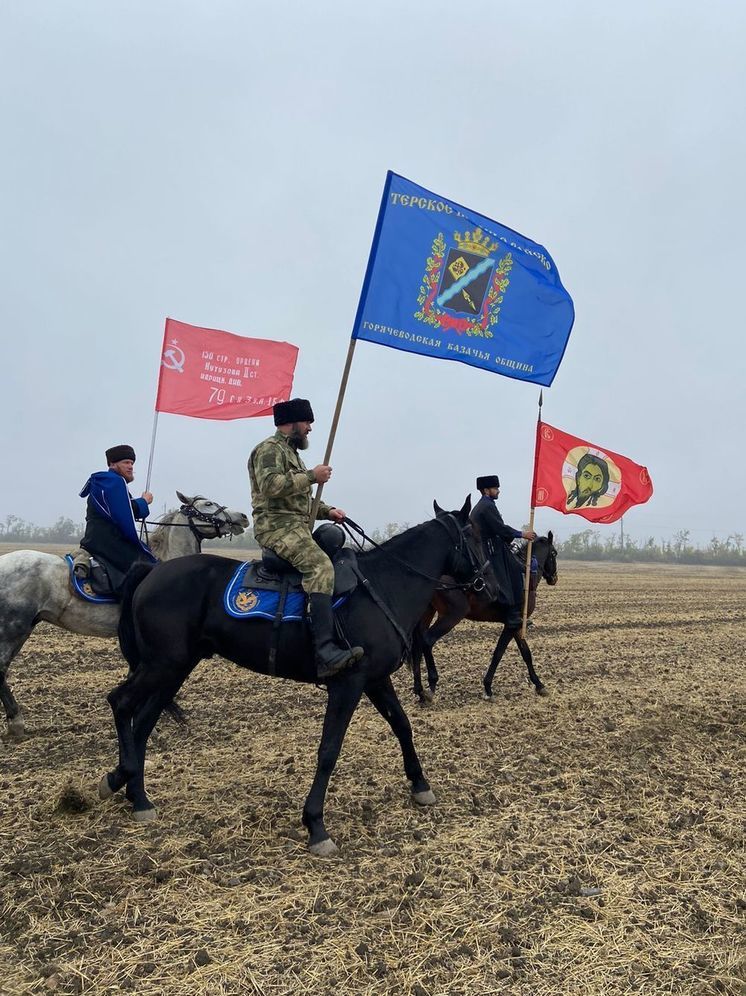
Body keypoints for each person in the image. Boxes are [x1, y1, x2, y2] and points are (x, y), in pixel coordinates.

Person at [248, 398, 364, 679]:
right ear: (293, 423)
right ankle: (324, 652)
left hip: (296, 525)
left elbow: (300, 500)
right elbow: (272, 486)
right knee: (320, 567)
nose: (310, 428)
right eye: (307, 422)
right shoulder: (269, 450)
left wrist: (328, 510)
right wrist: (312, 475)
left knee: (335, 541)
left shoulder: (292, 453)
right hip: (277, 528)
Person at [79, 445, 157, 595]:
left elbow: (121, 509)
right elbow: (125, 511)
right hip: (108, 542)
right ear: (112, 464)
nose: (130, 467)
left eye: (132, 463)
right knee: (145, 567)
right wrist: (144, 501)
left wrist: (139, 503)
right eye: (126, 462)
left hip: (99, 539)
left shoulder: (108, 483)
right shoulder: (113, 482)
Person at [470, 474, 536, 629]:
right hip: (489, 549)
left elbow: (498, 528)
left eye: (497, 488)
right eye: (495, 488)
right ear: (486, 490)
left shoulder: (484, 504)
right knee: (514, 571)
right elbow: (500, 528)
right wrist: (522, 534)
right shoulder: (487, 506)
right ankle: (513, 614)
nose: (498, 491)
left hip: (490, 545)